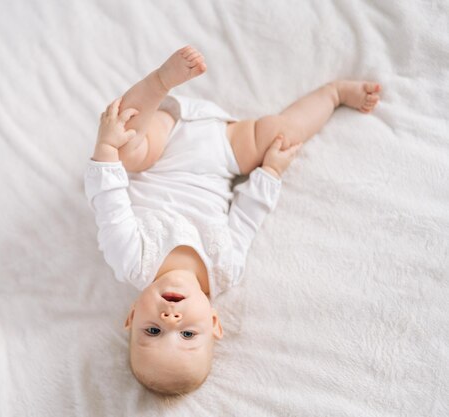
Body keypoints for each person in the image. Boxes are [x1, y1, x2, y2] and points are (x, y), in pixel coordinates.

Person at [84, 46, 381, 396]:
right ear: (213, 322)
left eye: (152, 331)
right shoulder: (225, 270)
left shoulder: (132, 260)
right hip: (224, 152)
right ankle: (334, 94)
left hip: (160, 142)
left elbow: (110, 203)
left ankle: (161, 79)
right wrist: (270, 172)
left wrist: (105, 150)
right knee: (284, 136)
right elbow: (247, 217)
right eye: (188, 334)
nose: (170, 320)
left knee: (125, 149)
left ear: (133, 316)